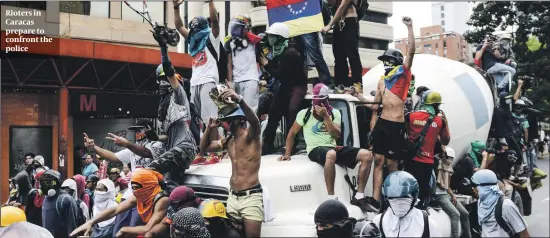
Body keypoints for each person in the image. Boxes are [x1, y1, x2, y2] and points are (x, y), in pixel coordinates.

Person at [281, 83, 376, 211]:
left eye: (321, 100)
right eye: (316, 101)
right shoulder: (305, 113)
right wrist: (287, 153)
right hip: (315, 148)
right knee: (331, 154)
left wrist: (326, 117)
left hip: (332, 146)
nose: (318, 104)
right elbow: (292, 133)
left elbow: (336, 135)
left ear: (326, 99)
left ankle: (359, 195)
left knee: (367, 155)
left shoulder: (334, 113)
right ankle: (330, 197)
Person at [354, 17, 415, 210]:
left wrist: (409, 27)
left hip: (396, 126)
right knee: (378, 161)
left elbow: (411, 51)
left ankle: (394, 199)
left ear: (396, 62)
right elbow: (375, 106)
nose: (386, 64)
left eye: (389, 60)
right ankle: (375, 199)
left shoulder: (403, 75)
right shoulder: (381, 81)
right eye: (384, 61)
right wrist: (357, 96)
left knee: (392, 164)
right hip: (382, 124)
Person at [199, 87, 263, 237]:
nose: (223, 124)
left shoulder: (250, 136)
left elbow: (255, 122)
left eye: (226, 121)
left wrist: (239, 100)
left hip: (251, 197)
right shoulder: (228, 140)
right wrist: (209, 128)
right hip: (233, 196)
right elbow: (204, 149)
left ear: (236, 120)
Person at [147, 23, 200, 182]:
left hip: (185, 149)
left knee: (149, 171)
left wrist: (163, 47)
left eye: (166, 81)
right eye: (160, 81)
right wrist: (156, 137)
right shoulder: (163, 109)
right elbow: (171, 136)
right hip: (173, 151)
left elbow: (169, 70)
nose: (163, 83)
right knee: (167, 185)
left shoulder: (179, 96)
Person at [70, 169, 169, 237]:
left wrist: (124, 229)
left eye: (137, 187)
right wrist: (91, 222)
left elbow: (148, 229)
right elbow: (115, 210)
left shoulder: (161, 200)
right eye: (132, 188)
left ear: (148, 186)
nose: (134, 191)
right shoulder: (140, 194)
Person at [260, 22, 308, 155]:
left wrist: (267, 65)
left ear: (280, 38)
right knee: (274, 111)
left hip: (297, 86)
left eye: (273, 36)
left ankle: (293, 144)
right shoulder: (278, 51)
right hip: (286, 85)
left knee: (292, 110)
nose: (270, 39)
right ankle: (267, 145)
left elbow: (280, 74)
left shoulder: (290, 53)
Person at [173, 0, 220, 123]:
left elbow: (214, 20)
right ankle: (204, 142)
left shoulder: (212, 37)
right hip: (194, 84)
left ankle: (216, 142)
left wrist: (210, 2)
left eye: (196, 29)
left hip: (208, 81)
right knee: (199, 121)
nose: (194, 33)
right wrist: (176, 8)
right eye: (193, 30)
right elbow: (179, 26)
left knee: (210, 120)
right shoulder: (192, 40)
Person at [404, 91, 451, 209]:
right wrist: (445, 122)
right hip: (427, 162)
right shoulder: (440, 121)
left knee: (408, 191)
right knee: (422, 194)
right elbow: (446, 141)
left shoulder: (410, 116)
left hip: (410, 159)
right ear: (435, 105)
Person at [373, 171, 441, 237]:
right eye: (392, 198)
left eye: (405, 197)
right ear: (386, 199)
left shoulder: (427, 223)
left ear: (414, 197)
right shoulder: (379, 221)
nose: (399, 202)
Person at [471, 169, 530, 237]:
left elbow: (524, 234)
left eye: (474, 185)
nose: (472, 188)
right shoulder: (481, 202)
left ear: (485, 187)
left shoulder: (506, 205)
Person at [322, 0, 362, 88]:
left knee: (352, 54)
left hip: (350, 21)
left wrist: (329, 25)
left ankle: (357, 84)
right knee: (338, 56)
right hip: (338, 24)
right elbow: (332, 4)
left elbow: (343, 6)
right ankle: (340, 84)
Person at [225, 15, 261, 113]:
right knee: (237, 112)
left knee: (250, 110)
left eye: (237, 27)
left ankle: (251, 128)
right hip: (236, 81)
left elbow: (260, 59)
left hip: (251, 79)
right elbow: (229, 64)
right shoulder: (229, 43)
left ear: (245, 29)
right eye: (233, 27)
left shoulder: (254, 42)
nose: (234, 30)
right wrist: (230, 82)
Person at [434, 147, 471, 238]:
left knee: (465, 213)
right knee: (455, 214)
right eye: (449, 158)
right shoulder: (436, 165)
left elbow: (448, 186)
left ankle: (468, 236)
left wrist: (453, 196)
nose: (450, 160)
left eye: (452, 158)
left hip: (446, 194)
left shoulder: (449, 168)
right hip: (438, 195)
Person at [40, 170, 79, 238]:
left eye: (49, 182)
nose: (45, 185)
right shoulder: (46, 199)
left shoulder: (65, 199)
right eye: (44, 183)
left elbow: (72, 227)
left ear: (57, 183)